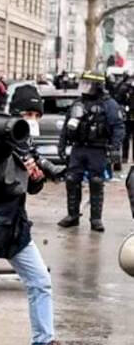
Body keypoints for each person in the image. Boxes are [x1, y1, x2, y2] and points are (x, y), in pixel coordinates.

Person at [0, 83, 73, 345]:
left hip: (14, 228)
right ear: (15, 112)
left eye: (37, 114)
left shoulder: (24, 141)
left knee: (40, 281)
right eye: (28, 114)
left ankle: (43, 342)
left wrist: (36, 177)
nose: (33, 120)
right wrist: (13, 156)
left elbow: (29, 186)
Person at [57, 71, 125, 232]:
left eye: (89, 84)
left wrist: (115, 147)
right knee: (72, 179)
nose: (85, 87)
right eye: (84, 83)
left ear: (99, 86)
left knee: (96, 181)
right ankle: (72, 216)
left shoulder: (109, 105)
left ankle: (96, 219)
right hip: (78, 148)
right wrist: (61, 145)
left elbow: (118, 127)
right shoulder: (78, 103)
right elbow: (67, 125)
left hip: (97, 149)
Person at [114, 74, 134, 164]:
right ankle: (124, 157)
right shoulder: (125, 88)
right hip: (127, 115)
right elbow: (118, 98)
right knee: (125, 137)